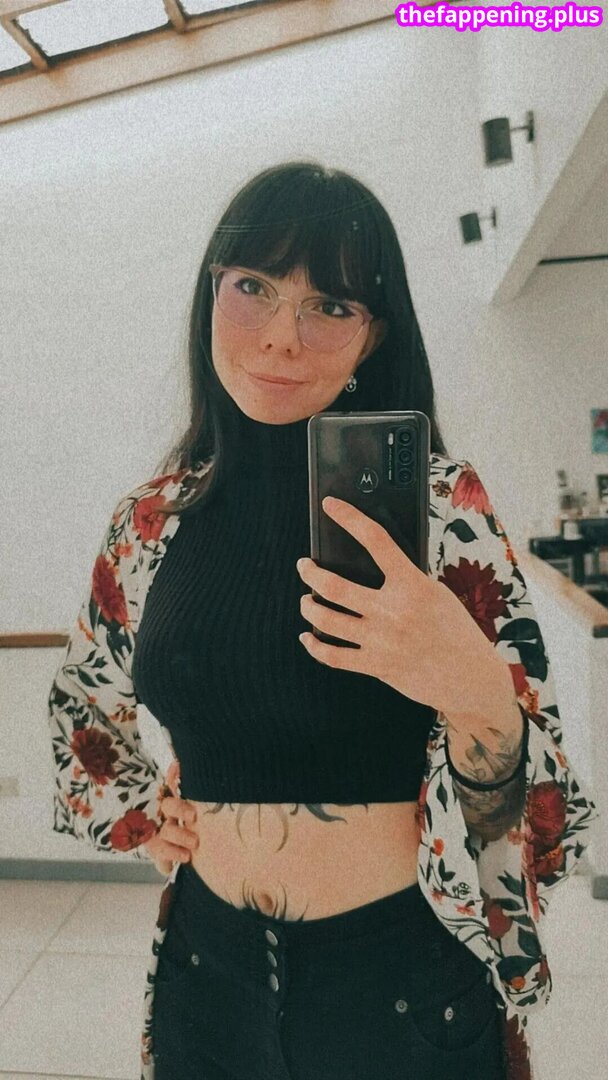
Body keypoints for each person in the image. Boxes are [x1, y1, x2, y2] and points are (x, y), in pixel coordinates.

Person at [47, 162, 599, 1080]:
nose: (281, 336)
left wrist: (479, 699)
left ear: (371, 337)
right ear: (211, 292)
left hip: (399, 975)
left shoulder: (441, 511)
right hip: (206, 967)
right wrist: (139, 814)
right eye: (253, 287)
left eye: (330, 306)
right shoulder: (150, 521)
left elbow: (528, 824)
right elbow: (83, 700)